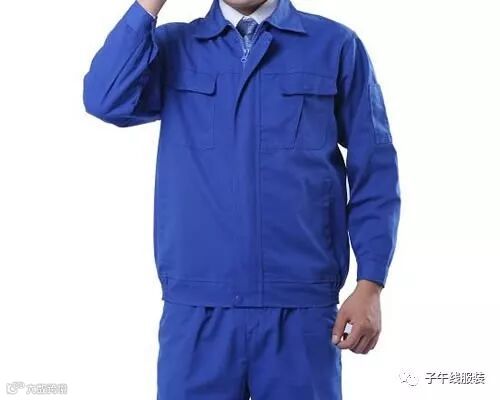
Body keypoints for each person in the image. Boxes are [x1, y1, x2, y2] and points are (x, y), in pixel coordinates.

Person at [82, 0, 401, 398]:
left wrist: (371, 283)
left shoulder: (334, 46)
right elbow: (105, 98)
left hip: (300, 309)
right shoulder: (174, 46)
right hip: (198, 310)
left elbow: (375, 168)